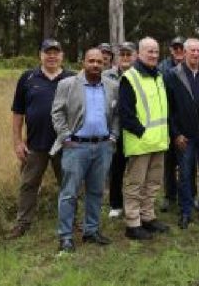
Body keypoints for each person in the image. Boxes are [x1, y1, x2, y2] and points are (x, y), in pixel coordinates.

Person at [51, 47, 120, 253]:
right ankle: (65, 236)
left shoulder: (112, 86)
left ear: (104, 64)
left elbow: (117, 114)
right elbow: (57, 113)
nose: (96, 65)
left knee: (96, 191)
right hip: (76, 147)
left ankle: (91, 230)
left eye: (99, 62)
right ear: (84, 62)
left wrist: (113, 136)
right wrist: (65, 137)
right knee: (69, 193)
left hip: (103, 146)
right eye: (91, 61)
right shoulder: (67, 84)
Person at [9, 39, 74, 239]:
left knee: (69, 184)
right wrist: (17, 142)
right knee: (28, 184)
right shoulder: (28, 78)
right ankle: (23, 223)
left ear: (62, 55)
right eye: (48, 52)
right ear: (41, 55)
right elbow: (18, 112)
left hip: (65, 144)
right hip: (35, 144)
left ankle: (71, 222)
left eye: (56, 52)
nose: (52, 56)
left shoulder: (72, 78)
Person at [118, 37, 171, 240]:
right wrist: (142, 133)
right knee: (135, 185)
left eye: (156, 51)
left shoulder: (158, 76)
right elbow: (126, 114)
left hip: (159, 142)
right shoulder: (130, 78)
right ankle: (133, 224)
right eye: (149, 51)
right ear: (139, 53)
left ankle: (148, 217)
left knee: (153, 183)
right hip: (140, 143)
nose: (154, 55)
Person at [166, 38, 199, 229]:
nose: (196, 54)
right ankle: (186, 211)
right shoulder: (174, 75)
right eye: (193, 50)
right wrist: (176, 134)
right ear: (185, 52)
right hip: (185, 135)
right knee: (185, 174)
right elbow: (168, 108)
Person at [105, 41, 137, 219]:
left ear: (135, 56)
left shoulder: (139, 74)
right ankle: (116, 204)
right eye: (122, 54)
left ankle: (134, 203)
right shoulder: (106, 75)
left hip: (133, 127)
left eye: (128, 54)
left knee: (135, 170)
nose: (125, 57)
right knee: (116, 168)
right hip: (113, 128)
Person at [158, 35, 187, 212]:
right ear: (171, 50)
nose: (178, 51)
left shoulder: (191, 65)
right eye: (175, 48)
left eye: (181, 48)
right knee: (169, 163)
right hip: (168, 121)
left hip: (187, 123)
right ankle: (170, 196)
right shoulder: (162, 68)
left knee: (187, 162)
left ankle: (189, 195)